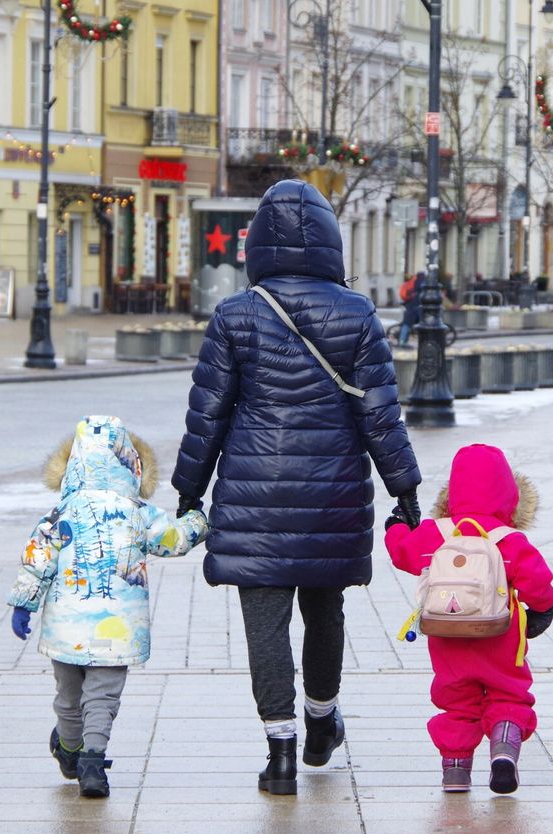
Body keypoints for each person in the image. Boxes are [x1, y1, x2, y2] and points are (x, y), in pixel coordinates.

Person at [172, 179, 422, 796]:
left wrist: (187, 491)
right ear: (332, 243)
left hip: (253, 495)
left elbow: (209, 413)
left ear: (257, 243)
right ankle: (319, 722)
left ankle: (279, 751)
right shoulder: (358, 313)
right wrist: (405, 490)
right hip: (332, 492)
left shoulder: (236, 314)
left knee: (264, 622)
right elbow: (381, 415)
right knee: (325, 612)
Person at [7, 415, 208, 797]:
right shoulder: (138, 513)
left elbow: (36, 561)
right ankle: (93, 764)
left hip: (66, 628)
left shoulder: (59, 514)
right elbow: (174, 539)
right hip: (116, 628)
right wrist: (199, 520)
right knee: (102, 696)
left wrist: (23, 605)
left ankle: (68, 750)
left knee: (68, 697)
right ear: (132, 466)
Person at [384, 444, 553, 795]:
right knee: (508, 694)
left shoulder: (438, 533)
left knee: (457, 702)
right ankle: (504, 752)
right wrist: (542, 611)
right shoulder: (508, 540)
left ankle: (456, 772)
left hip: (447, 636)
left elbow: (403, 553)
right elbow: (537, 580)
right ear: (510, 493)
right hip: (499, 635)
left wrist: (396, 528)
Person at [397, 271, 426, 347]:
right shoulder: (421, 284)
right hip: (415, 308)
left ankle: (403, 340)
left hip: (409, 307)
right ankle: (403, 340)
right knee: (417, 324)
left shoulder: (413, 284)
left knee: (407, 324)